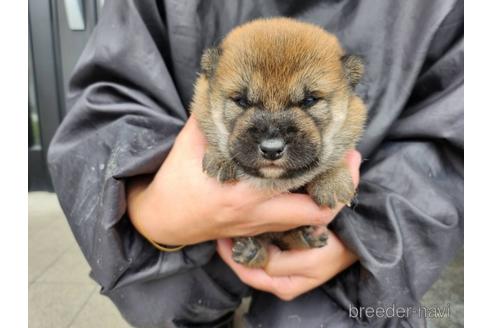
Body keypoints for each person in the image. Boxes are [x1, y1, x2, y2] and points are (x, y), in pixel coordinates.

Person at [47, 0, 464, 327]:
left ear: (349, 86)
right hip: (187, 272)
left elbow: (453, 146)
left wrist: (363, 244)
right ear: (209, 85)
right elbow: (107, 112)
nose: (271, 139)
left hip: (339, 285)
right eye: (243, 101)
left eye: (308, 101)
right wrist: (148, 208)